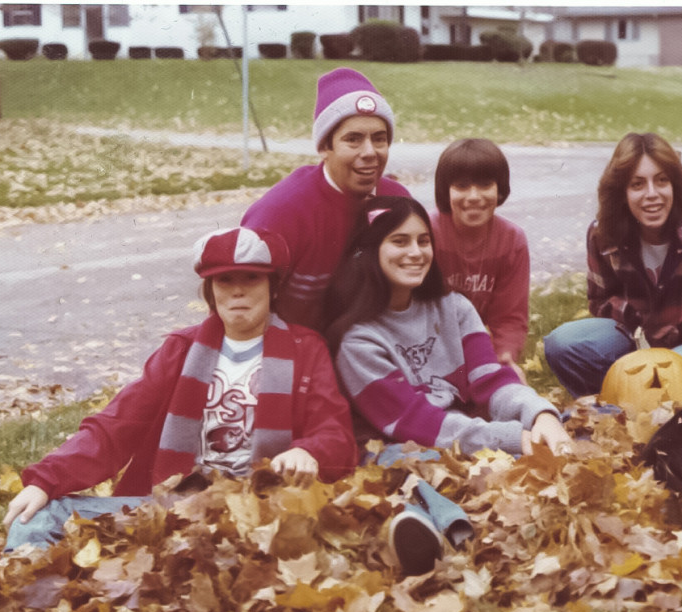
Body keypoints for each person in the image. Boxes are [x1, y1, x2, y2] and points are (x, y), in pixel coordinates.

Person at [3, 227, 358, 551]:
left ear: (273, 287)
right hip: (173, 509)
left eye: (251, 278)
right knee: (41, 513)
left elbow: (335, 432)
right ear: (210, 291)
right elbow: (115, 426)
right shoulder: (182, 350)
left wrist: (308, 451)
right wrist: (46, 480)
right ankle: (21, 593)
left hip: (261, 513)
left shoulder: (305, 349)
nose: (237, 290)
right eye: (224, 280)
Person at [324, 195, 571, 575]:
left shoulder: (453, 308)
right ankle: (446, 532)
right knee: (403, 470)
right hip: (402, 443)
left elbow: (490, 380)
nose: (416, 252)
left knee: (576, 420)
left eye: (423, 241)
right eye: (399, 241)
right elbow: (420, 424)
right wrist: (512, 439)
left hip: (469, 432)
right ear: (369, 252)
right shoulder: (358, 342)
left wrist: (539, 415)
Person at [543, 132, 682, 401]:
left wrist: (673, 330)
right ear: (621, 192)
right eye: (637, 184)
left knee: (671, 374)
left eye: (662, 181)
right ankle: (613, 412)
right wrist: (639, 321)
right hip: (646, 336)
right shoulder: (604, 234)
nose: (652, 194)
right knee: (564, 343)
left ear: (676, 185)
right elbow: (600, 301)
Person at [242, 67, 410, 332]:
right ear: (324, 148)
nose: (370, 152)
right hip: (295, 354)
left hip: (375, 349)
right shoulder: (281, 212)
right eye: (353, 140)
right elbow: (239, 305)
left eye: (379, 139)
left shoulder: (398, 201)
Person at [430, 138, 529, 371]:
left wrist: (503, 360)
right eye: (462, 186)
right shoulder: (426, 233)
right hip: (428, 345)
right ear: (446, 191)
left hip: (479, 347)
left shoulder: (512, 240)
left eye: (485, 185)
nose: (474, 196)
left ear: (500, 188)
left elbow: (509, 318)